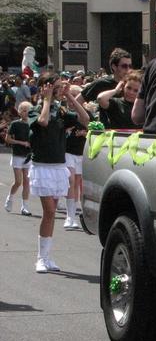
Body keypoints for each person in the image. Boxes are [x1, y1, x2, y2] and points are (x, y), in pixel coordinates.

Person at [29, 72, 89, 273]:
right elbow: (43, 121)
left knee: (50, 214)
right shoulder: (35, 110)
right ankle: (40, 258)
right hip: (42, 167)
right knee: (50, 212)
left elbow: (85, 119)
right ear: (45, 87)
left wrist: (70, 96)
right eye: (55, 86)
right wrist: (46, 99)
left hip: (58, 167)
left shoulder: (62, 111)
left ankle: (46, 257)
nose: (58, 89)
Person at [76, 48, 132, 122]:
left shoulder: (133, 84)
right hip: (108, 131)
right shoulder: (101, 83)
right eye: (124, 66)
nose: (128, 69)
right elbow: (77, 101)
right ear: (114, 67)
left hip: (132, 130)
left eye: (130, 66)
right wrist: (90, 120)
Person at [63, 85, 88, 228]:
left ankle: (75, 217)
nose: (72, 100)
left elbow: (91, 127)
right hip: (68, 152)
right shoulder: (64, 114)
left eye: (75, 96)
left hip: (81, 153)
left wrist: (85, 133)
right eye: (69, 96)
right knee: (70, 180)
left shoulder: (87, 114)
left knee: (78, 183)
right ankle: (69, 217)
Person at [4, 101, 33, 216]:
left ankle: (24, 207)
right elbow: (8, 139)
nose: (26, 113)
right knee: (18, 181)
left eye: (28, 111)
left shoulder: (33, 124)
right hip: (17, 155)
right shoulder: (15, 124)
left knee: (27, 182)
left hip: (29, 156)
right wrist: (22, 143)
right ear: (20, 112)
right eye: (24, 110)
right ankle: (10, 198)